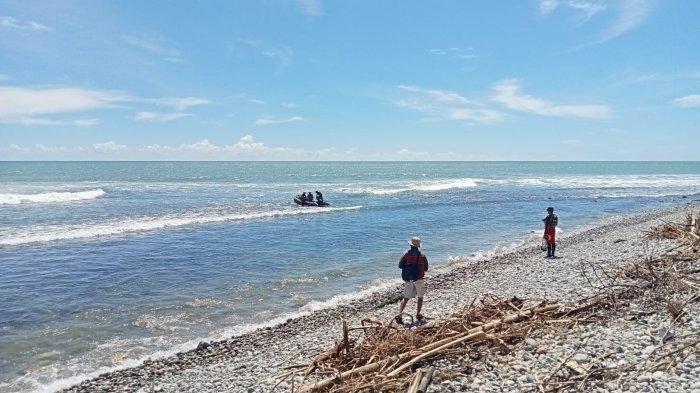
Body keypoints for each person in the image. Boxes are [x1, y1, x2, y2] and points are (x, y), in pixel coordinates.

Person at [396, 236, 429, 324]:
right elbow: (426, 268)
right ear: (418, 246)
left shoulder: (406, 254)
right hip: (419, 279)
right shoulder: (422, 255)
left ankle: (399, 316)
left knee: (406, 298)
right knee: (420, 297)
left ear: (410, 245)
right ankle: (418, 314)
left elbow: (400, 266)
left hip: (408, 279)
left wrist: (409, 268)